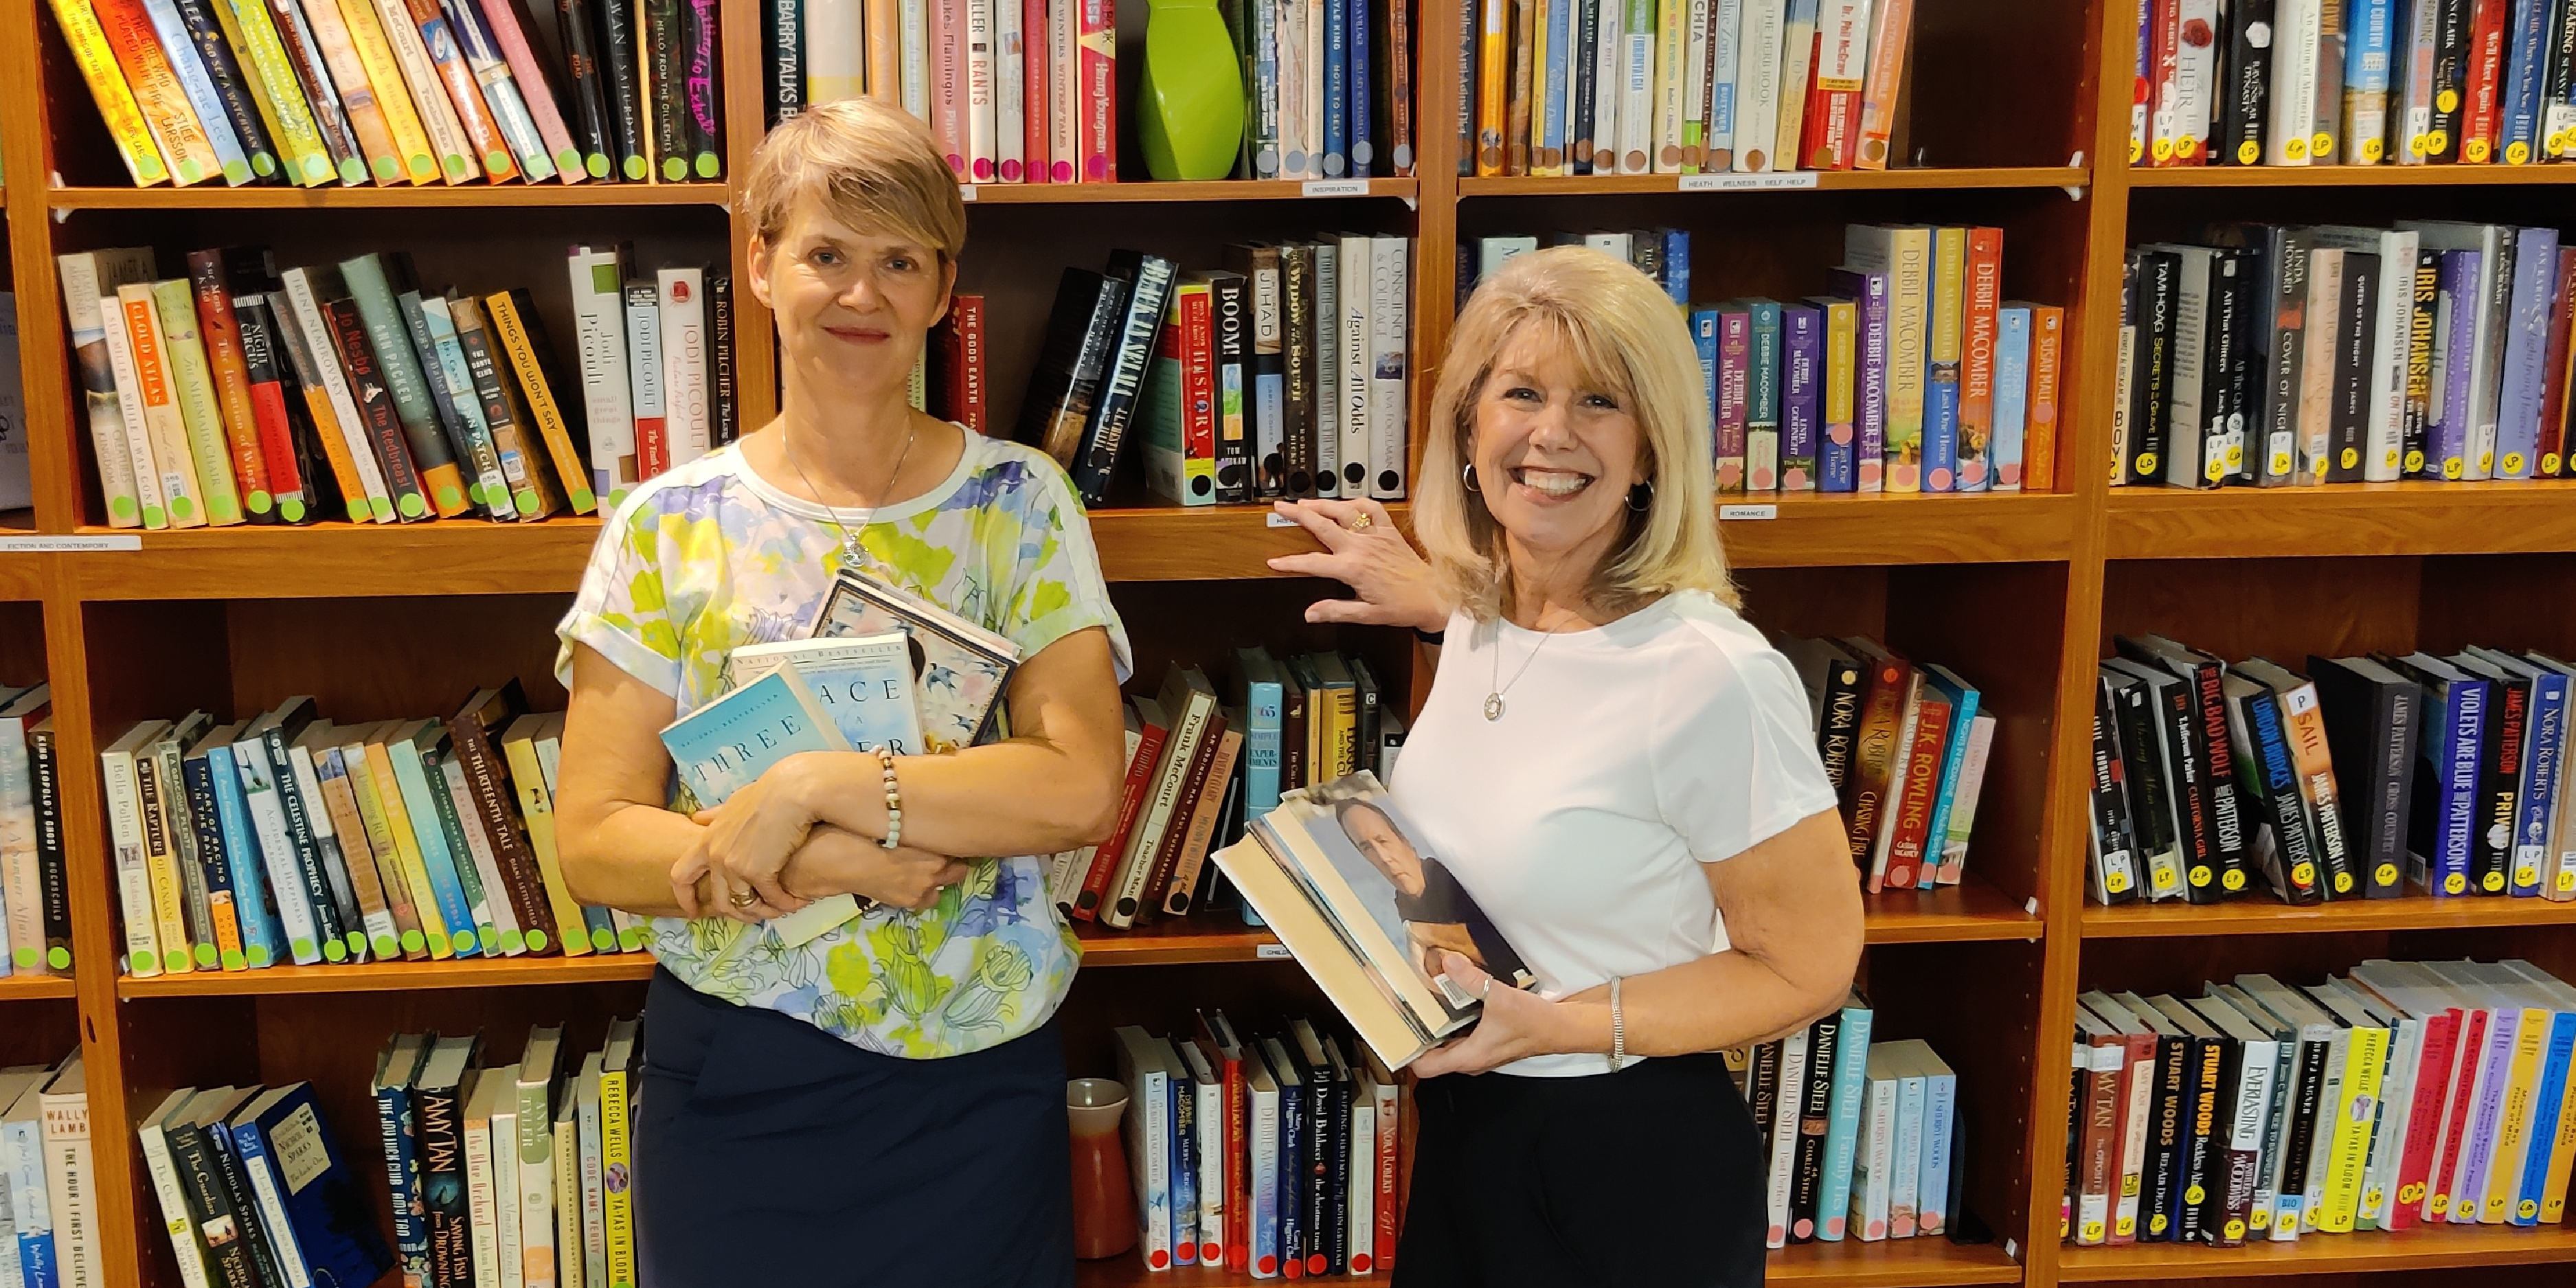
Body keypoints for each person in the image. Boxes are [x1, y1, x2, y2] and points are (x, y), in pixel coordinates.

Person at [550, 97, 1130, 1288]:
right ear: (760, 264)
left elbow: (1079, 788)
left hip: (978, 1072)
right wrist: (819, 861)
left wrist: (817, 785)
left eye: (898, 261)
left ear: (939, 287)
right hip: (739, 1084)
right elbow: (596, 842)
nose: (861, 295)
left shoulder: (1020, 505)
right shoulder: (667, 526)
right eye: (826, 254)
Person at [1269, 245, 1866, 1287]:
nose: (1551, 432)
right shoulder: (1488, 619)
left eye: (1598, 400)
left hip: (1622, 1163)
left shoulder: (1712, 674)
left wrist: (1553, 1024)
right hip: (1466, 1137)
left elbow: (1809, 964)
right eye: (1520, 393)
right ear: (1467, 426)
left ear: (1650, 451)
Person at [1332, 796, 1524, 988]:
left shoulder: (1450, 876)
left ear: (1405, 842)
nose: (1383, 858)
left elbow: (1512, 949)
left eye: (1382, 841)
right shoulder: (1405, 903)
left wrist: (1425, 932)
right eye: (1367, 849)